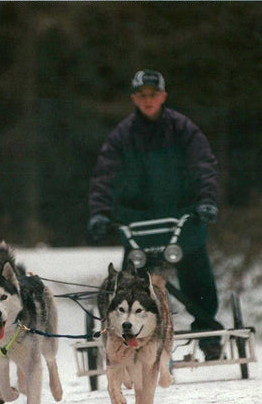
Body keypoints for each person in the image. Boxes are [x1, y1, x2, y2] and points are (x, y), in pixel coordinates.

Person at [87, 69, 223, 360]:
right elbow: (105, 176)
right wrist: (99, 213)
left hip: (182, 218)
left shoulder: (183, 130)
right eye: (142, 95)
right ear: (134, 99)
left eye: (153, 94)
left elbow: (203, 165)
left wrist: (207, 201)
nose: (148, 100)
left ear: (163, 96)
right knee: (130, 285)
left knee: (197, 276)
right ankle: (131, 338)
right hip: (139, 224)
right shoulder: (122, 136)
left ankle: (208, 333)